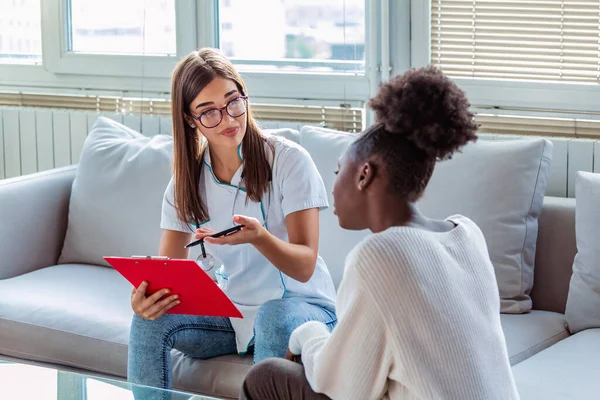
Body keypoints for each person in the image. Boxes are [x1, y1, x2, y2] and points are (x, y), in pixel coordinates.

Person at [240, 67, 520, 400]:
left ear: (364, 175)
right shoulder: (467, 235)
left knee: (267, 376)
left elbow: (343, 387)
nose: (332, 186)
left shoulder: (382, 254)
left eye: (338, 170)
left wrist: (307, 333)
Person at [127, 48, 337, 395]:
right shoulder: (186, 182)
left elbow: (304, 266)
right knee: (150, 319)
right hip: (232, 315)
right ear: (189, 119)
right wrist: (146, 299)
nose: (227, 119)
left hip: (303, 307)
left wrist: (260, 238)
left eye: (233, 102)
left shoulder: (289, 161)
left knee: (272, 316)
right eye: (208, 112)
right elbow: (170, 273)